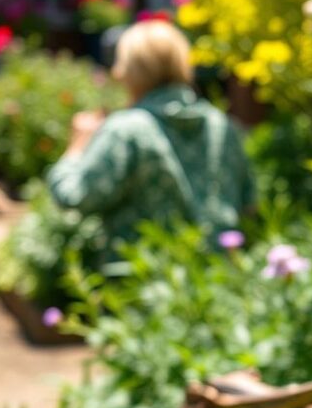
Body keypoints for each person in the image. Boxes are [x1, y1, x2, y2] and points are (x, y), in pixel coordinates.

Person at [46, 20, 254, 254]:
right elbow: (249, 203)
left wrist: (78, 144)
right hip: (216, 274)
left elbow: (75, 197)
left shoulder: (125, 130)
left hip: (145, 278)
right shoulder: (221, 124)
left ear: (129, 71)